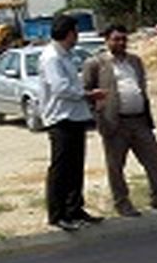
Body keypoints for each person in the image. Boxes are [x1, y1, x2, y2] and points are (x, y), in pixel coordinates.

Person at [83, 25, 157, 217]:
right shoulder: (96, 64)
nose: (120, 43)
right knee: (116, 166)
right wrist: (99, 115)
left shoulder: (135, 61)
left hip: (139, 120)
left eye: (123, 39)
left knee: (154, 158)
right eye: (116, 39)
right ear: (107, 41)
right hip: (115, 123)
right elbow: (86, 92)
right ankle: (122, 203)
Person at [38, 14, 106, 231]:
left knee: (76, 166)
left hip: (75, 116)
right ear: (68, 33)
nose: (77, 36)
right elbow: (60, 88)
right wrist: (87, 94)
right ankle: (58, 214)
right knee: (62, 168)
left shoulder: (66, 55)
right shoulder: (51, 57)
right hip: (60, 118)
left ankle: (75, 208)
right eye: (75, 32)